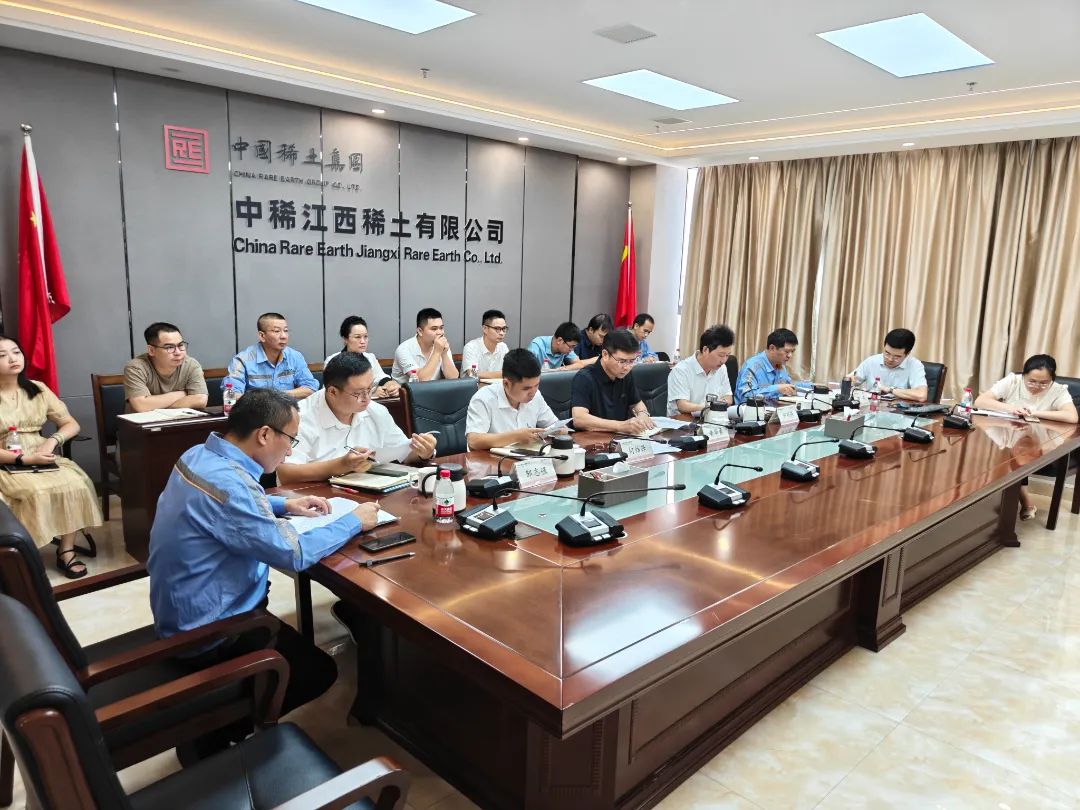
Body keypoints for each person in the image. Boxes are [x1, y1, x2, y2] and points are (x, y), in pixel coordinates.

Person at [148, 388, 379, 762]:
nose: (289, 451)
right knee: (318, 672)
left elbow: (230, 503)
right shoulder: (231, 485)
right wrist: (354, 520)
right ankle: (212, 733)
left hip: (178, 609)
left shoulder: (201, 455)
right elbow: (294, 553)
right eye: (291, 439)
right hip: (211, 631)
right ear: (265, 434)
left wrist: (284, 504)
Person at [0, 336, 102, 579]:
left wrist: (52, 441)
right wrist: (22, 460)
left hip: (40, 451)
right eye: (2, 355)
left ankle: (66, 551)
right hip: (6, 459)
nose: (12, 358)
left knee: (76, 484)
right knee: (33, 492)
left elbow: (70, 423)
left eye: (16, 352)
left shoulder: (38, 389)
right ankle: (25, 555)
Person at [277, 353, 438, 485]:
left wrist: (423, 452)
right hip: (315, 498)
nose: (367, 398)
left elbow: (403, 453)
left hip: (368, 493)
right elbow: (285, 473)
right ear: (332, 392)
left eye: (369, 389)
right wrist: (341, 465)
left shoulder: (376, 411)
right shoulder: (300, 417)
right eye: (358, 393)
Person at [973, 354, 1079, 521]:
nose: (1036, 386)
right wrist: (1011, 408)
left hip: (1044, 441)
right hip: (1012, 434)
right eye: (1031, 381)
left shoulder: (1058, 390)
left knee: (1018, 459)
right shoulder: (1013, 381)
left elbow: (1072, 417)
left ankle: (1020, 506)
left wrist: (1035, 412)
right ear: (1023, 375)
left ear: (1052, 379)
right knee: (989, 454)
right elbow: (980, 401)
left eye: (1043, 383)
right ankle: (1013, 504)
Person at [465, 349, 559, 451]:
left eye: (536, 385)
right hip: (491, 459)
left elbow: (554, 424)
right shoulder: (483, 398)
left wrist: (559, 430)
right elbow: (474, 441)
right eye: (526, 388)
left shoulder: (536, 396)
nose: (533, 392)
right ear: (506, 384)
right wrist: (516, 436)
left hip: (528, 456)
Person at [571, 329, 655, 434]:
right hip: (591, 439)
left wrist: (643, 415)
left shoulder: (625, 374)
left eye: (632, 361)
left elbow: (637, 403)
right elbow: (579, 419)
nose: (627, 367)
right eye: (622, 361)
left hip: (620, 438)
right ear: (605, 354)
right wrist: (620, 426)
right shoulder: (584, 378)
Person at [223, 312, 319, 399]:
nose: (284, 336)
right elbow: (230, 394)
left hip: (287, 410)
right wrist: (263, 399)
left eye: (286, 330)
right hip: (256, 410)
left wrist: (278, 395)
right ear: (262, 336)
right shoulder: (242, 360)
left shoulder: (295, 356)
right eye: (277, 331)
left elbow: (310, 387)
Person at [123, 322, 208, 413]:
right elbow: (141, 406)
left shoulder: (191, 365)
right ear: (151, 350)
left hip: (181, 420)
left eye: (180, 345)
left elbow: (200, 400)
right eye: (169, 347)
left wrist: (156, 407)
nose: (178, 352)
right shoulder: (136, 368)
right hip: (144, 421)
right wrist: (182, 394)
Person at [667, 325, 735, 416]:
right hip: (683, 422)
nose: (724, 360)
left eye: (727, 355)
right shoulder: (681, 370)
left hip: (710, 419)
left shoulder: (722, 368)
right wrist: (712, 407)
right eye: (721, 355)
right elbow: (682, 405)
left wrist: (714, 407)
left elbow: (728, 397)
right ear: (705, 350)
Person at [325, 315, 398, 398]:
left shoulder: (370, 357)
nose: (363, 341)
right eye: (357, 337)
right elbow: (333, 393)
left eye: (365, 336)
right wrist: (372, 394)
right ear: (345, 339)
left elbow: (381, 378)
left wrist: (391, 385)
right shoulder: (333, 361)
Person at [850, 328, 928, 402]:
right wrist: (850, 381)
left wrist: (891, 390)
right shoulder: (871, 361)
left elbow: (921, 395)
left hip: (898, 409)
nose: (890, 359)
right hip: (872, 405)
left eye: (897, 356)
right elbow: (852, 380)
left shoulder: (915, 365)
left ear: (907, 354)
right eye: (887, 353)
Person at [392, 307, 458, 382]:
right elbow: (420, 380)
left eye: (441, 328)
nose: (440, 332)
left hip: (433, 388)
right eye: (434, 329)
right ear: (420, 331)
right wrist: (437, 352)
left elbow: (453, 378)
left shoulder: (441, 345)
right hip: (406, 389)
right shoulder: (403, 349)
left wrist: (444, 354)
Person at [735, 328, 799, 404]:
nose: (790, 356)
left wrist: (810, 386)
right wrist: (776, 389)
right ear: (772, 348)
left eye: (792, 351)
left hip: (774, 409)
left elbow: (788, 386)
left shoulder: (780, 365)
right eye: (787, 351)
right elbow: (745, 397)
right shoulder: (752, 366)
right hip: (752, 410)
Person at [460, 309, 510, 380]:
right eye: (497, 329)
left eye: (504, 329)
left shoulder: (503, 347)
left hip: (496, 386)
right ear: (485, 329)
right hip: (474, 386)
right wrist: (502, 374)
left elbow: (510, 372)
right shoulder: (471, 347)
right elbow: (473, 373)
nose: (502, 333)